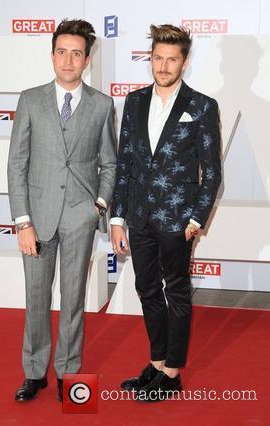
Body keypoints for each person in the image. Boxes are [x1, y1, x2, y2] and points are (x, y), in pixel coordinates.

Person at [110, 23, 221, 402]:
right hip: (139, 216)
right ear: (150, 58)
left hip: (178, 220)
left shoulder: (202, 106)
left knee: (176, 293)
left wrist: (195, 219)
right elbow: (124, 163)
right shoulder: (135, 101)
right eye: (158, 58)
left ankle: (172, 373)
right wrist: (116, 218)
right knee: (146, 290)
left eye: (172, 59)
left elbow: (213, 172)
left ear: (184, 62)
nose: (163, 66)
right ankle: (156, 363)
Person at [8, 19, 117, 402]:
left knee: (73, 300)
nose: (68, 60)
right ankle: (34, 372)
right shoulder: (30, 99)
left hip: (80, 217)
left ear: (87, 59)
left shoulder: (103, 105)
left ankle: (68, 373)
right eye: (61, 52)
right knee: (36, 298)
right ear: (52, 55)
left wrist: (99, 205)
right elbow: (16, 164)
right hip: (36, 219)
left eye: (76, 53)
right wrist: (22, 221)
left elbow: (111, 163)